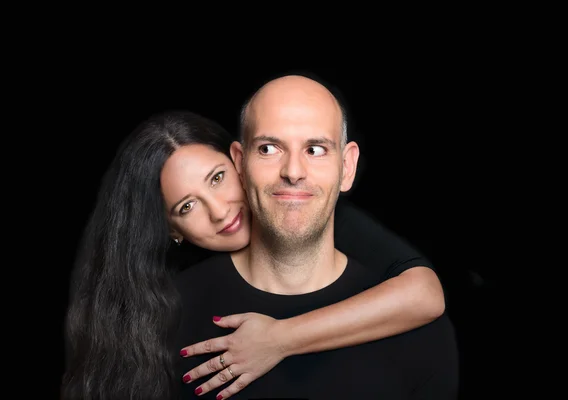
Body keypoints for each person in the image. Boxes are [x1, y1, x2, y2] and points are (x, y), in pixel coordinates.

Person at [62, 82, 448, 400]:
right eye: (187, 206)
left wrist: (280, 338)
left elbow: (425, 294)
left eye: (217, 178)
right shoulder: (163, 307)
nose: (219, 211)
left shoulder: (328, 216)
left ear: (237, 166)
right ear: (170, 231)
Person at [173, 74, 459, 399]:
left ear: (347, 167)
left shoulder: (419, 334)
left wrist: (279, 338)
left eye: (315, 149)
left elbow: (425, 294)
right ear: (240, 162)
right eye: (268, 148)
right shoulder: (166, 315)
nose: (293, 171)